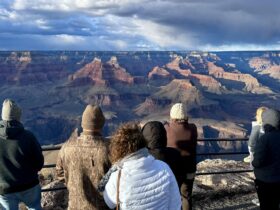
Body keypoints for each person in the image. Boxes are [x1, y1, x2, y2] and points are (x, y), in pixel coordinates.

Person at [98, 122, 181, 210]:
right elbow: (175, 204)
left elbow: (109, 203)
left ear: (118, 149)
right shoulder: (164, 168)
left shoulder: (117, 176)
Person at [56, 104, 110, 210]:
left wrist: (74, 183)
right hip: (103, 206)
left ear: (83, 123)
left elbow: (59, 173)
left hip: (75, 205)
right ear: (102, 124)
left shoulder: (66, 148)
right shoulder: (110, 148)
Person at [0, 99, 44, 210]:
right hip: (29, 185)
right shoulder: (28, 137)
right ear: (18, 117)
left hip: (5, 189)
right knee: (34, 207)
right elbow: (39, 162)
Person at [164, 103, 198, 210]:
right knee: (186, 197)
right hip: (189, 169)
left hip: (174, 171)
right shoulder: (193, 128)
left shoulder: (167, 128)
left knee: (172, 197)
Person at [252, 108, 280, 210]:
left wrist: (253, 163)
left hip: (266, 180)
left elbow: (258, 162)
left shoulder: (265, 139)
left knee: (267, 206)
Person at [141, 121, 184, 187]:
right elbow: (180, 178)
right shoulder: (176, 154)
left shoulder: (141, 158)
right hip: (172, 193)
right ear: (164, 135)